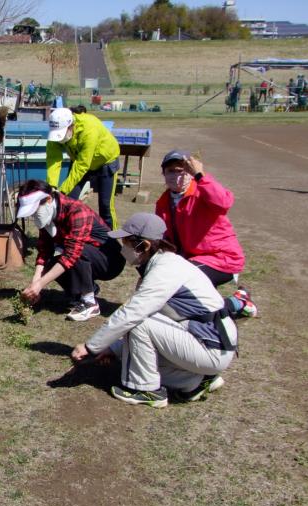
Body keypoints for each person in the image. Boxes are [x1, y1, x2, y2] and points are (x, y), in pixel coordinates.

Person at [69, 213, 238, 408]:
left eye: (126, 242)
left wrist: (90, 347)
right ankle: (196, 381)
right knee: (129, 357)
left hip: (210, 345)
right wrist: (114, 349)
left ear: (144, 245)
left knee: (137, 323)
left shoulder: (165, 270)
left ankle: (146, 389)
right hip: (211, 342)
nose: (123, 248)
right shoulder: (162, 264)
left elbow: (134, 314)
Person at [154, 150, 256, 317]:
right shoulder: (163, 203)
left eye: (181, 170)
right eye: (170, 171)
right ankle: (238, 300)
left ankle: (238, 302)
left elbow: (224, 202)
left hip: (222, 258)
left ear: (190, 173)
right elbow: (167, 238)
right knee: (173, 285)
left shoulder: (202, 191)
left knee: (181, 284)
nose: (176, 176)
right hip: (192, 259)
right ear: (163, 174)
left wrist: (200, 175)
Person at [17, 180, 125, 321]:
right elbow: (44, 250)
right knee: (51, 263)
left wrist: (40, 284)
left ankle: (89, 303)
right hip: (86, 255)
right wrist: (35, 282)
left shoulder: (77, 210)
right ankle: (84, 291)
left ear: (48, 200)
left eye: (35, 211)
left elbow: (72, 253)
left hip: (110, 261)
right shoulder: (47, 216)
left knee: (75, 251)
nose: (34, 216)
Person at [46, 107, 121, 229]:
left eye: (62, 134)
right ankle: (66, 235)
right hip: (79, 162)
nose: (59, 139)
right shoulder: (55, 132)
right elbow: (53, 159)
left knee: (105, 205)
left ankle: (111, 241)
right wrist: (52, 187)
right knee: (68, 201)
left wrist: (62, 190)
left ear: (71, 126)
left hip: (105, 163)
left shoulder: (89, 129)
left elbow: (82, 165)